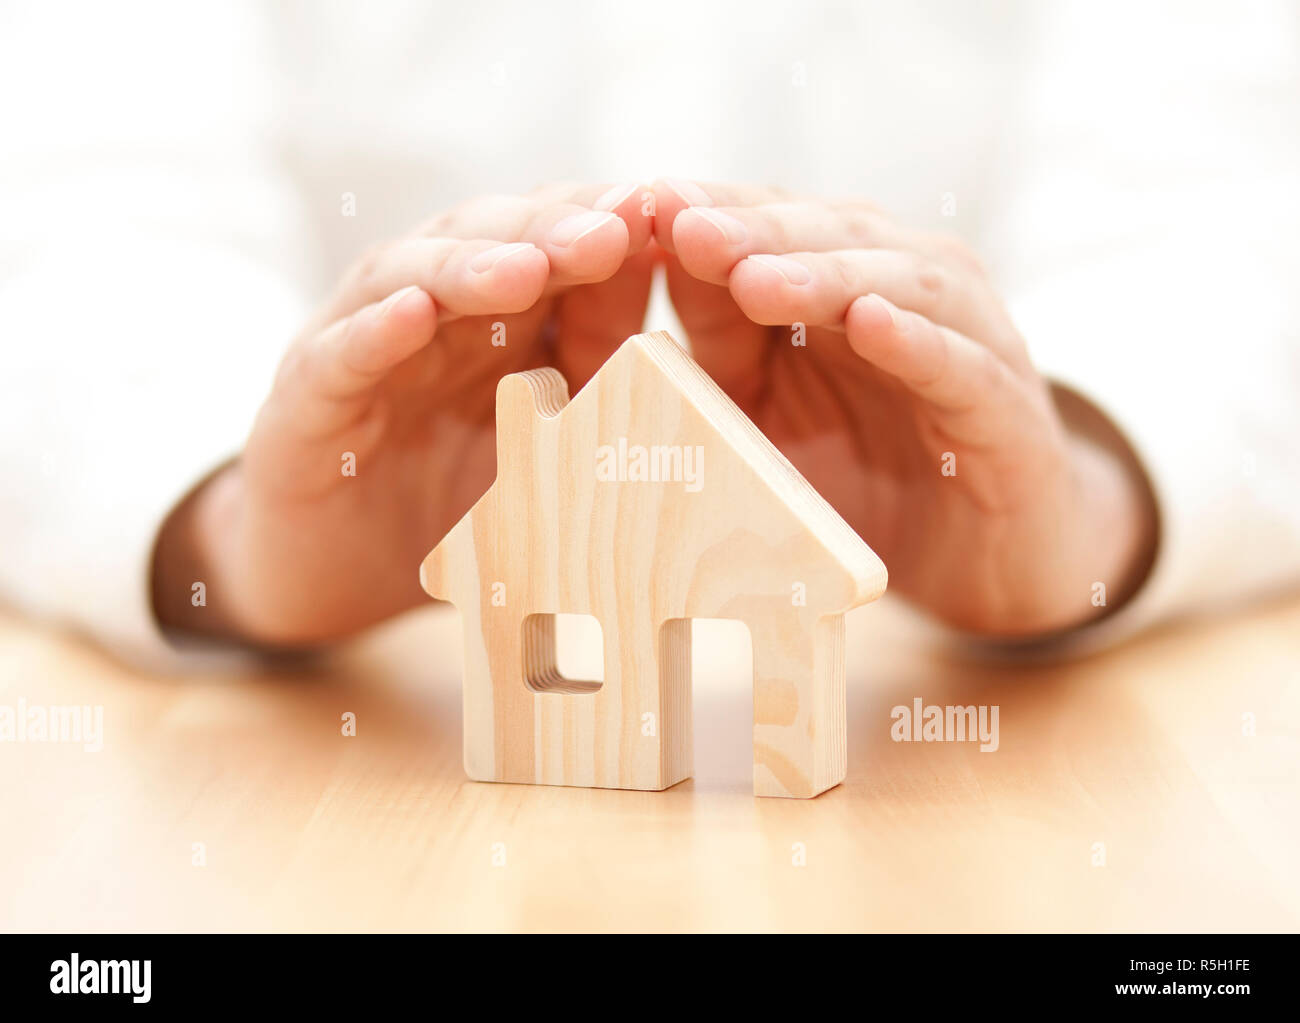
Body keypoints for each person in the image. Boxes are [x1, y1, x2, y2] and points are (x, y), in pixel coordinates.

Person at [2, 1, 1297, 663]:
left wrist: (1094, 489)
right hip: (348, 682)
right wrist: (228, 528)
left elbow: (1231, 193)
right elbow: (79, 192)